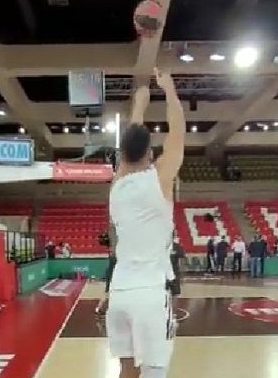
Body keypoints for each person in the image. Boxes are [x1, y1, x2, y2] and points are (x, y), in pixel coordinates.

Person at [107, 68, 184, 378]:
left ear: (123, 155)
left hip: (119, 291)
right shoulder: (159, 179)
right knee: (154, 370)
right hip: (150, 292)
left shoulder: (117, 184)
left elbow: (130, 146)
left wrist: (139, 104)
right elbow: (178, 133)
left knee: (126, 369)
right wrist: (169, 90)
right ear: (150, 153)